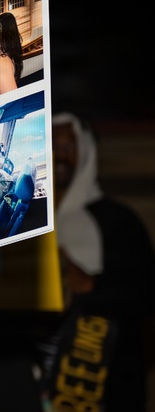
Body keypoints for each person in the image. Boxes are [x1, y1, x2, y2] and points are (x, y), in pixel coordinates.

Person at [41, 113, 155, 410]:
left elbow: (144, 295)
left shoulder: (119, 221)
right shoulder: (26, 220)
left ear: (86, 151)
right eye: (52, 146)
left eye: (68, 146)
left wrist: (87, 285)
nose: (60, 155)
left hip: (106, 380)